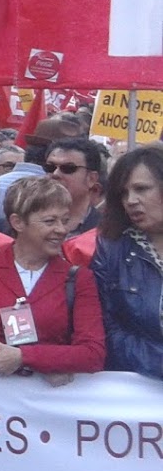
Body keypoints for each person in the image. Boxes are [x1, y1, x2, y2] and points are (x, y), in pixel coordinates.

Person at [0, 176, 105, 384]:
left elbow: (92, 353)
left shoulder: (79, 279)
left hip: (49, 405)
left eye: (65, 220)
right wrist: (45, 362)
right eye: (50, 221)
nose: (61, 229)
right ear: (18, 222)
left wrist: (23, 357)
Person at [91, 146, 163, 378]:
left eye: (142, 189)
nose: (131, 201)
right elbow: (105, 326)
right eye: (123, 193)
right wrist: (157, 362)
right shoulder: (110, 250)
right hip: (137, 395)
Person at [44, 137, 104, 237]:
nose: (55, 174)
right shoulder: (24, 222)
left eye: (68, 168)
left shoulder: (107, 232)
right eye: (50, 167)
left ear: (91, 179)